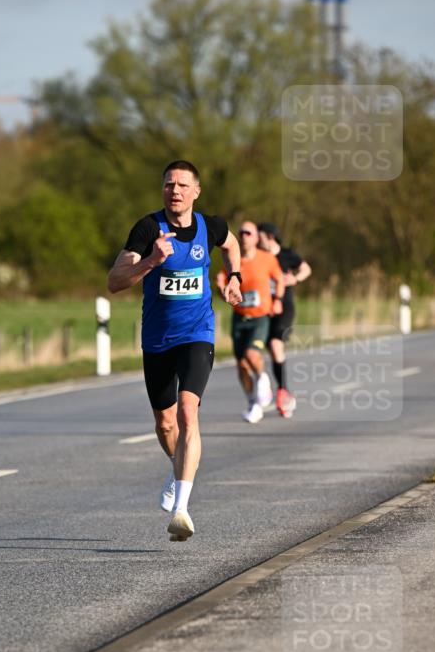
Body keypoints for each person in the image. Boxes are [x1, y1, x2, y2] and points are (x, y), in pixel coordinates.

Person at [107, 161, 242, 541]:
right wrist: (151, 261)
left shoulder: (210, 226)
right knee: (165, 424)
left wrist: (235, 277)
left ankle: (181, 509)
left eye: (183, 185)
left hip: (198, 334)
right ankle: (176, 466)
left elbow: (232, 244)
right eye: (169, 185)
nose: (175, 191)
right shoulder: (148, 229)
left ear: (196, 191)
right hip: (157, 340)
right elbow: (114, 281)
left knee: (187, 413)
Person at [216, 221, 284, 423]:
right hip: (239, 316)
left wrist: (278, 300)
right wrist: (221, 288)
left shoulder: (267, 258)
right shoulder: (233, 259)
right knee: (242, 366)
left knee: (251, 354)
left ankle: (262, 378)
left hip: (260, 317)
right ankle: (253, 402)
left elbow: (279, 280)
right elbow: (221, 278)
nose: (244, 236)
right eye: (241, 233)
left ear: (256, 238)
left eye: (249, 233)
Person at [257, 222, 312, 419]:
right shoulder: (258, 255)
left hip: (284, 307)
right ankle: (266, 389)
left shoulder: (287, 254)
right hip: (262, 308)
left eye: (259, 235)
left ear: (270, 236)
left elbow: (306, 269)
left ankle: (283, 391)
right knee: (259, 351)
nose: (256, 238)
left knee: (275, 344)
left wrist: (295, 279)